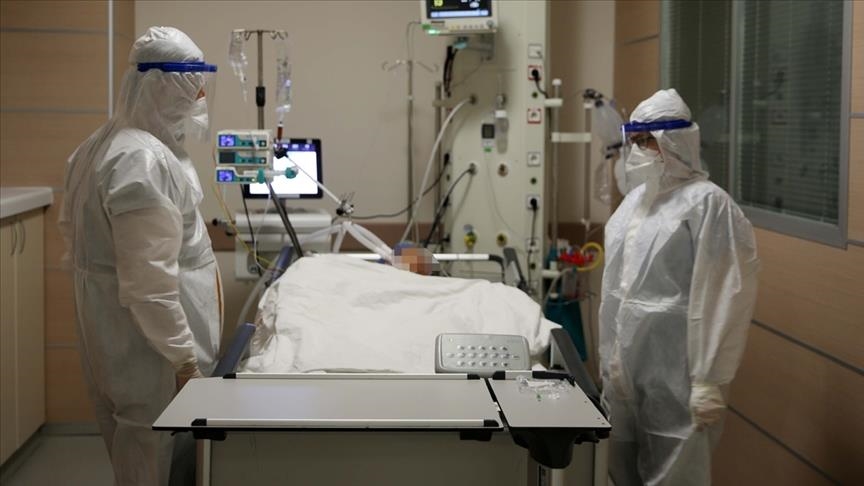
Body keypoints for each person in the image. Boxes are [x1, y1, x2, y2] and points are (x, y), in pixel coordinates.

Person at [59, 26, 222, 485]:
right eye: (193, 83)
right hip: (151, 349)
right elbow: (150, 284)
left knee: (135, 436)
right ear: (161, 84)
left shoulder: (102, 145)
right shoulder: (140, 161)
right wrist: (184, 361)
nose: (201, 95)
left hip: (119, 329)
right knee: (155, 442)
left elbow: (74, 239)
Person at [599, 89, 760, 485]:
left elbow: (723, 296)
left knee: (675, 475)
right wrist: (612, 365)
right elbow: (617, 292)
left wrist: (709, 379)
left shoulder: (708, 205)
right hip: (624, 372)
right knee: (619, 471)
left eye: (648, 141)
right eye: (636, 141)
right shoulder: (634, 203)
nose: (639, 150)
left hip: (677, 378)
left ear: (674, 141)